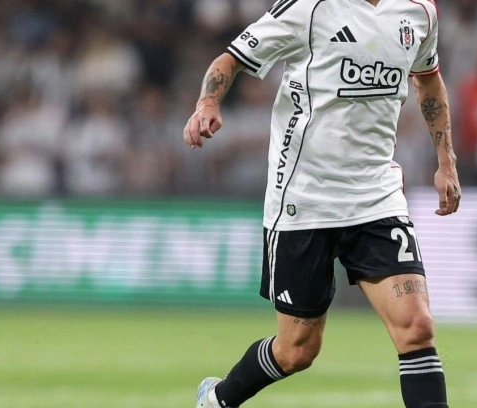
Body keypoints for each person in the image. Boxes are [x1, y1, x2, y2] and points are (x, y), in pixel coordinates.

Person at [182, 1, 460, 407]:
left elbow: (428, 81)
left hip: (376, 198)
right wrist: (208, 103)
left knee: (417, 328)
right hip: (304, 200)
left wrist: (446, 161)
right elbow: (232, 58)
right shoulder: (310, 7)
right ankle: (217, 399)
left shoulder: (419, 10)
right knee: (297, 350)